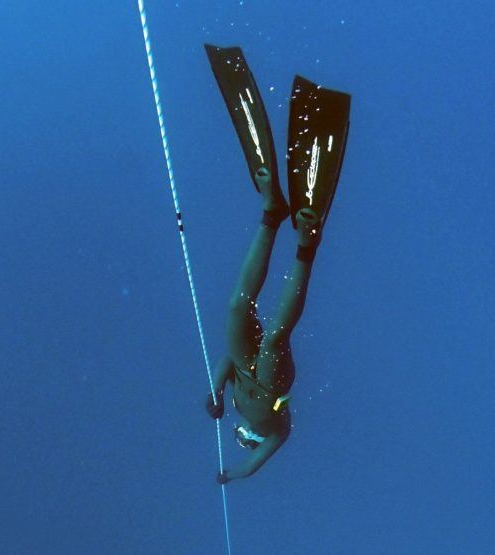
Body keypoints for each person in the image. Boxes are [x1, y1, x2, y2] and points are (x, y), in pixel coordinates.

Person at [203, 45, 351, 484]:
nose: (246, 438)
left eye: (242, 439)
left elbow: (226, 366)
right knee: (274, 340)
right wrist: (234, 476)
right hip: (271, 384)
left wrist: (212, 391)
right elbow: (255, 465)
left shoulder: (234, 406)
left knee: (235, 307)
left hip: (244, 367)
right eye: (248, 441)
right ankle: (306, 246)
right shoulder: (276, 430)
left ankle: (272, 214)